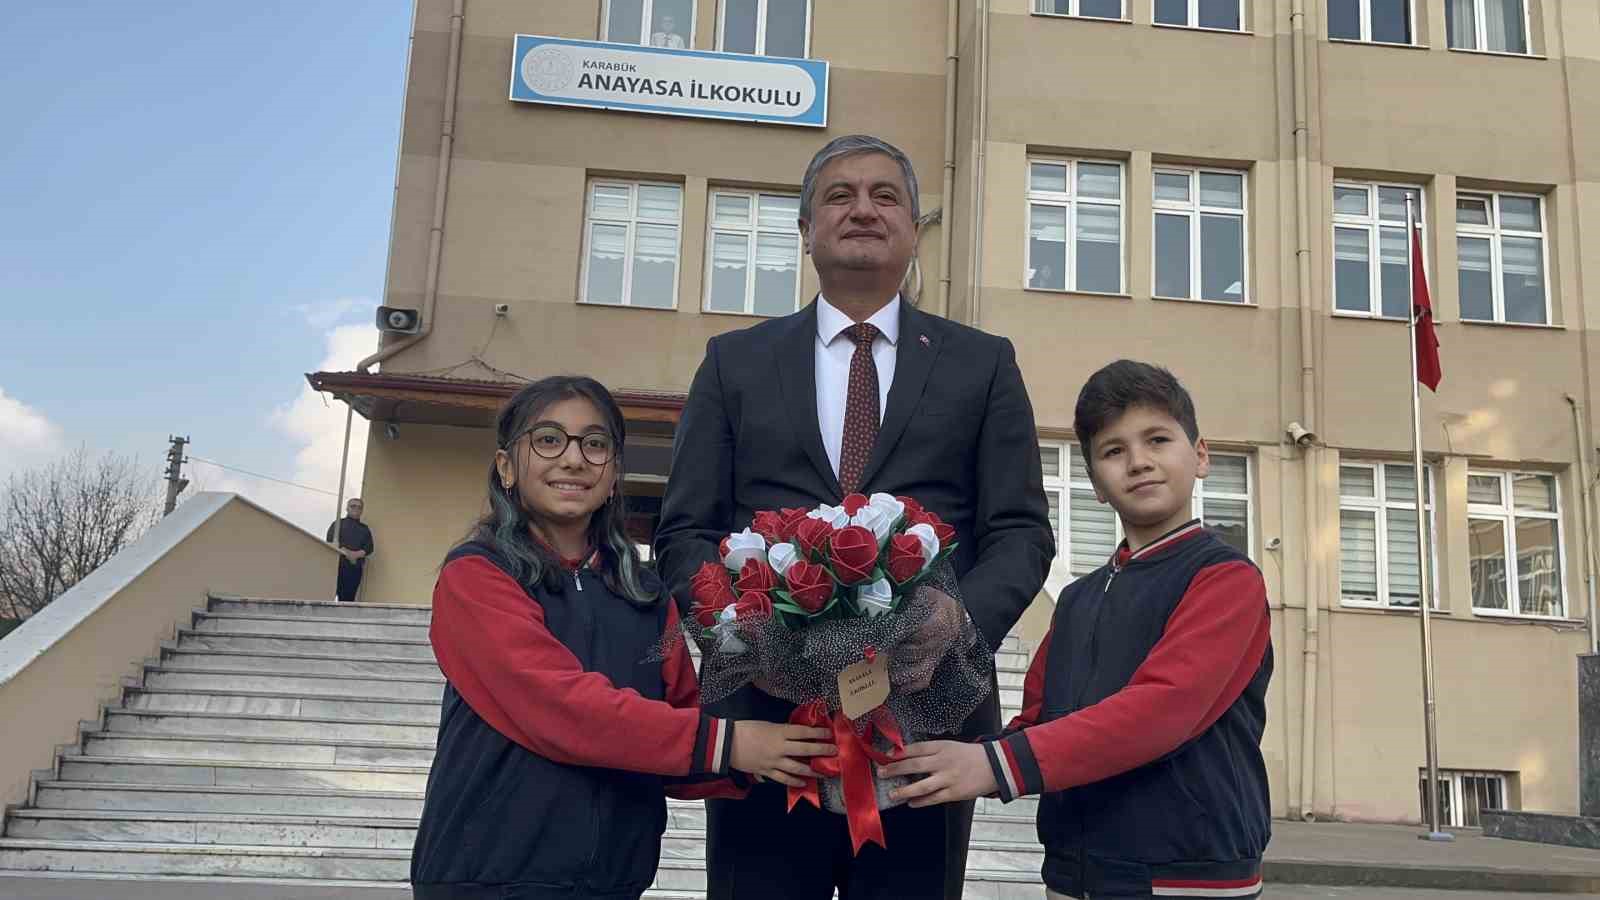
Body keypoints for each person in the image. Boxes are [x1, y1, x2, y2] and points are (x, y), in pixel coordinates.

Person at [655, 135, 1054, 900]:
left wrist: (955, 624)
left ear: (914, 231)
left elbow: (1020, 531)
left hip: (927, 731)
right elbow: (683, 531)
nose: (863, 209)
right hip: (770, 732)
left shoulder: (983, 363)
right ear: (806, 230)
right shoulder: (734, 362)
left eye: (885, 195)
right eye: (839, 196)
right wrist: (742, 634)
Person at [410, 376, 836, 900]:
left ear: (613, 474)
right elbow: (559, 708)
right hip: (487, 879)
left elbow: (681, 728)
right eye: (548, 440)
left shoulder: (645, 593)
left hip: (612, 882)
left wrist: (793, 746)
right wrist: (731, 744)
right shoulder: (477, 575)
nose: (573, 459)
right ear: (506, 467)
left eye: (595, 444)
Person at [880, 360, 1274, 900]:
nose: (1139, 462)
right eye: (1113, 451)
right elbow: (1041, 718)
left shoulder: (1226, 579)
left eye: (1158, 439)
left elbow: (1162, 711)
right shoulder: (1078, 598)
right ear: (1096, 485)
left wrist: (995, 765)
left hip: (1186, 876)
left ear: (1200, 455)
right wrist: (932, 757)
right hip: (1074, 874)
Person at [325, 498, 373, 603]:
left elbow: (369, 548)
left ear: (362, 511)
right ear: (347, 508)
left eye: (359, 507)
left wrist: (355, 555)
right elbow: (330, 541)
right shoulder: (338, 524)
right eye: (353, 506)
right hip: (337, 566)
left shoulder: (364, 529)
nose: (356, 509)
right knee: (328, 597)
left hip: (354, 569)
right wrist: (346, 552)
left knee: (347, 601)